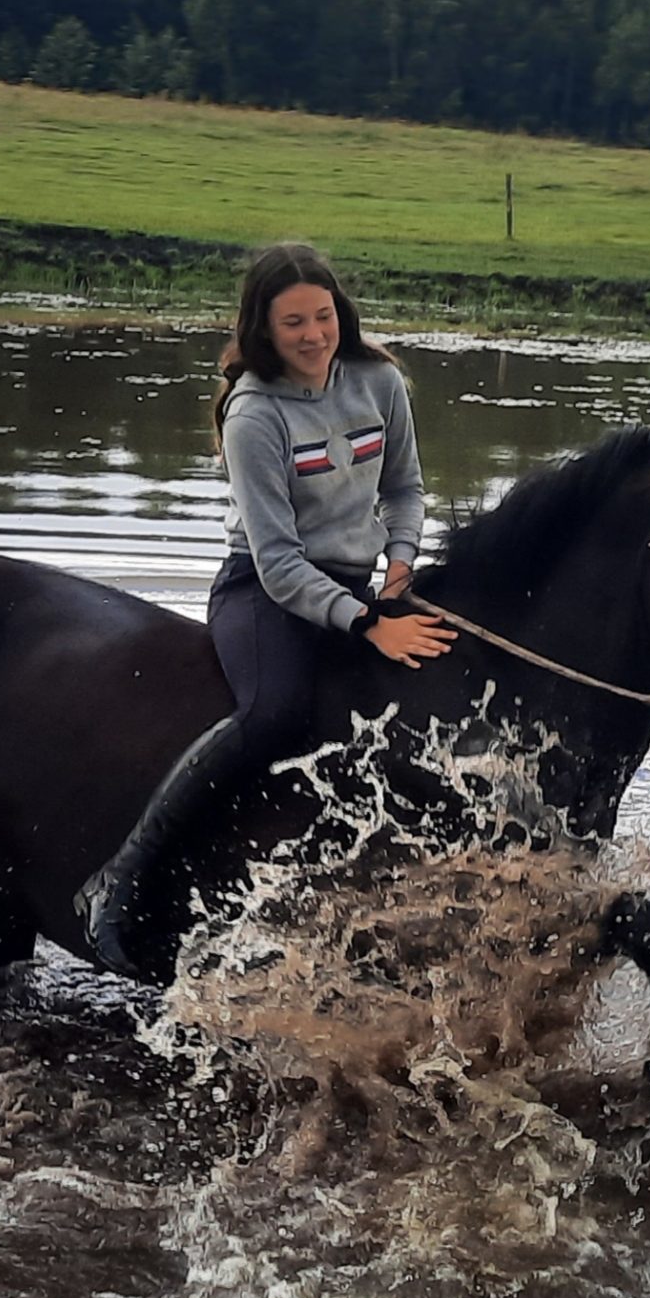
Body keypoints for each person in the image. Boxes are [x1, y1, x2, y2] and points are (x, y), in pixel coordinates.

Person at [81, 242, 455, 979]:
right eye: (294, 323)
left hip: (358, 584)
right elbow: (280, 563)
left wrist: (400, 565)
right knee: (274, 713)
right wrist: (369, 624)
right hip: (264, 592)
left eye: (324, 317)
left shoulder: (379, 381)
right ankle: (121, 879)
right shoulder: (253, 414)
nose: (314, 335)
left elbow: (405, 489)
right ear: (264, 329)